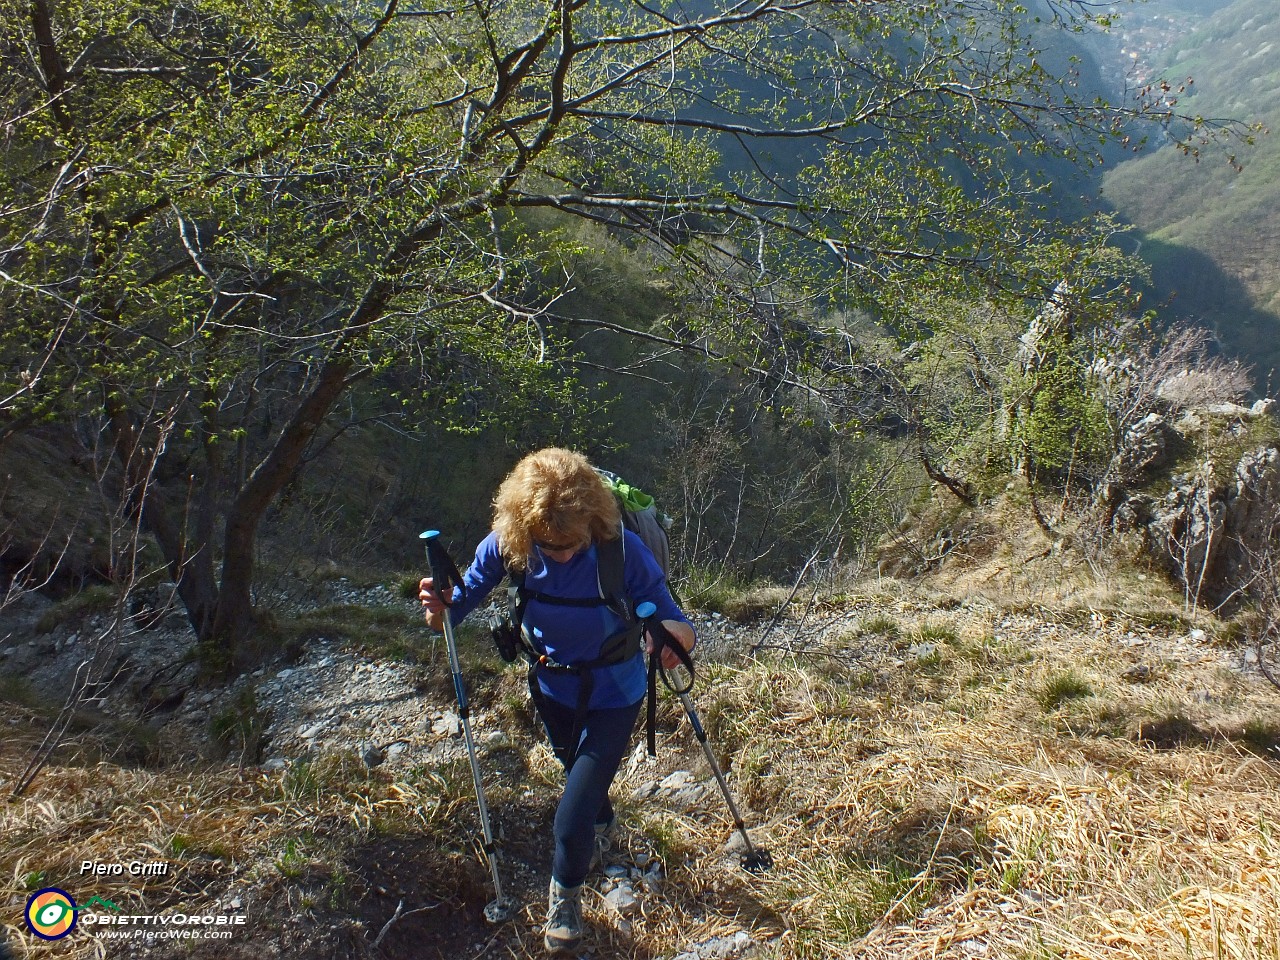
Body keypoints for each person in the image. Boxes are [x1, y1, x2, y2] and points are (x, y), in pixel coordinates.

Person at [419, 447, 695, 954]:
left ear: (594, 519)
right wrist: (438, 610)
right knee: (578, 778)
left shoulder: (622, 549)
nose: (564, 553)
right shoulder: (509, 545)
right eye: (552, 545)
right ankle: (603, 822)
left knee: (570, 810)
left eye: (573, 543)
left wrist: (672, 638)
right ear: (526, 530)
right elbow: (454, 615)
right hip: (551, 687)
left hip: (616, 692)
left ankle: (564, 902)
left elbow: (680, 624)